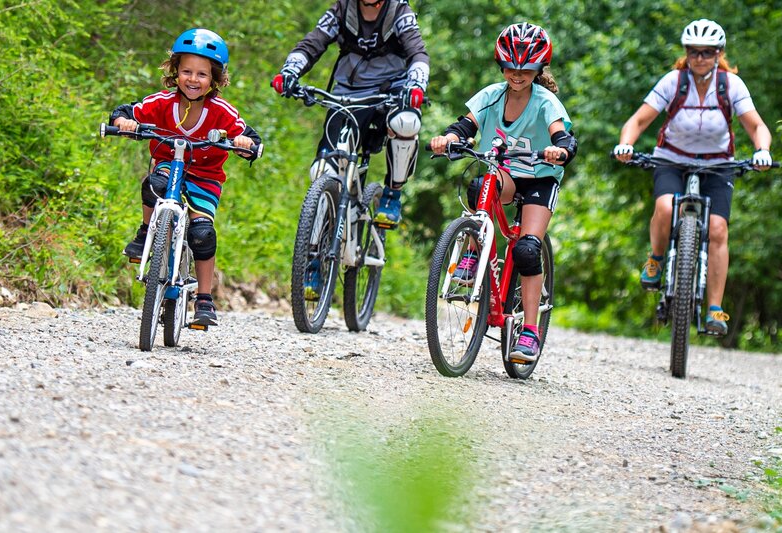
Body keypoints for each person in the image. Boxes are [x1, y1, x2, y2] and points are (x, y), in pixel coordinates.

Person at [613, 19, 773, 336]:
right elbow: (639, 120)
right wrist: (626, 144)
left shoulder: (731, 85)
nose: (700, 58)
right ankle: (656, 260)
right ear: (687, 53)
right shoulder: (674, 82)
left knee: (717, 228)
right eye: (694, 52)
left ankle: (715, 308)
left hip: (718, 164)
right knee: (665, 207)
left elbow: (756, 126)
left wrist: (762, 150)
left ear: (718, 54)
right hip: (671, 159)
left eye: (707, 52)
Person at [429, 22, 578, 362]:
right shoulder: (491, 96)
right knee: (481, 185)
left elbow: (562, 135)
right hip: (507, 173)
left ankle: (529, 331)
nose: (517, 74)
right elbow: (463, 126)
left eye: (526, 68)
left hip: (540, 177)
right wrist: (447, 141)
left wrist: (560, 149)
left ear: (538, 68)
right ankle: (473, 252)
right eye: (511, 67)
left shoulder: (545, 102)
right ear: (502, 65)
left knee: (527, 249)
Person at [111, 28, 262, 326]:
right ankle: (145, 234)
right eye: (187, 71)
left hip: (205, 177)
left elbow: (248, 136)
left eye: (202, 74)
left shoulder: (222, 112)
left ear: (215, 79)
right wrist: (123, 122)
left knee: (202, 233)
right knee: (154, 184)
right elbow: (126, 111)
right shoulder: (162, 103)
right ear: (175, 72)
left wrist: (245, 145)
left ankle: (204, 299)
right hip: (168, 164)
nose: (193, 79)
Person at [274, 0, 429, 231]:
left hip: (392, 91)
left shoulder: (399, 11)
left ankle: (391, 194)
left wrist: (416, 85)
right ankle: (317, 249)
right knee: (321, 170)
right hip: (350, 91)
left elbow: (418, 53)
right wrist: (290, 71)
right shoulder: (341, 9)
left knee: (406, 122)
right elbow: (312, 42)